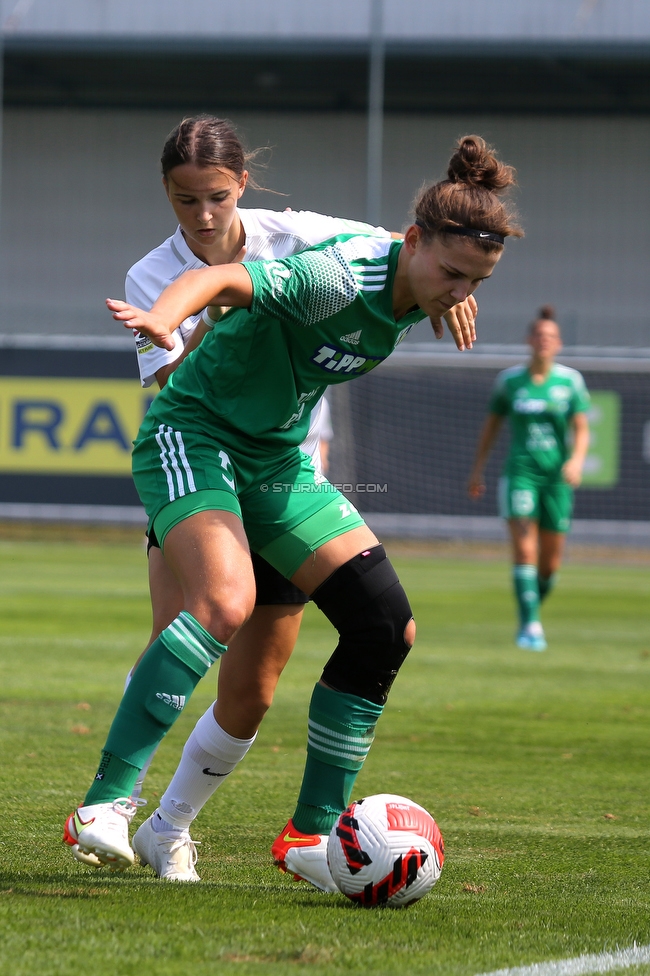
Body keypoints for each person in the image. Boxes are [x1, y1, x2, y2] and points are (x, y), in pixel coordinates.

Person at [65, 134, 519, 893]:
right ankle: (107, 803)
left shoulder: (418, 271)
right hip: (196, 434)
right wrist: (162, 320)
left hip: (277, 461)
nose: (455, 291)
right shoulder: (332, 280)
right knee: (221, 604)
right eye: (449, 272)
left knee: (384, 627)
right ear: (414, 244)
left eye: (473, 281)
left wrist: (453, 281)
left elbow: (425, 255)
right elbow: (220, 280)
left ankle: (313, 833)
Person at [468, 306, 590, 652]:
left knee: (549, 565)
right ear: (529, 340)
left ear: (559, 344)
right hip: (520, 474)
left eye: (550, 337)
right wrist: (478, 469)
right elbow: (491, 428)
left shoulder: (570, 381)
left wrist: (577, 461)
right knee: (524, 549)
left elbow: (581, 429)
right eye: (538, 335)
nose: (543, 341)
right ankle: (530, 626)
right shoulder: (510, 381)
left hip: (556, 479)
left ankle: (532, 608)